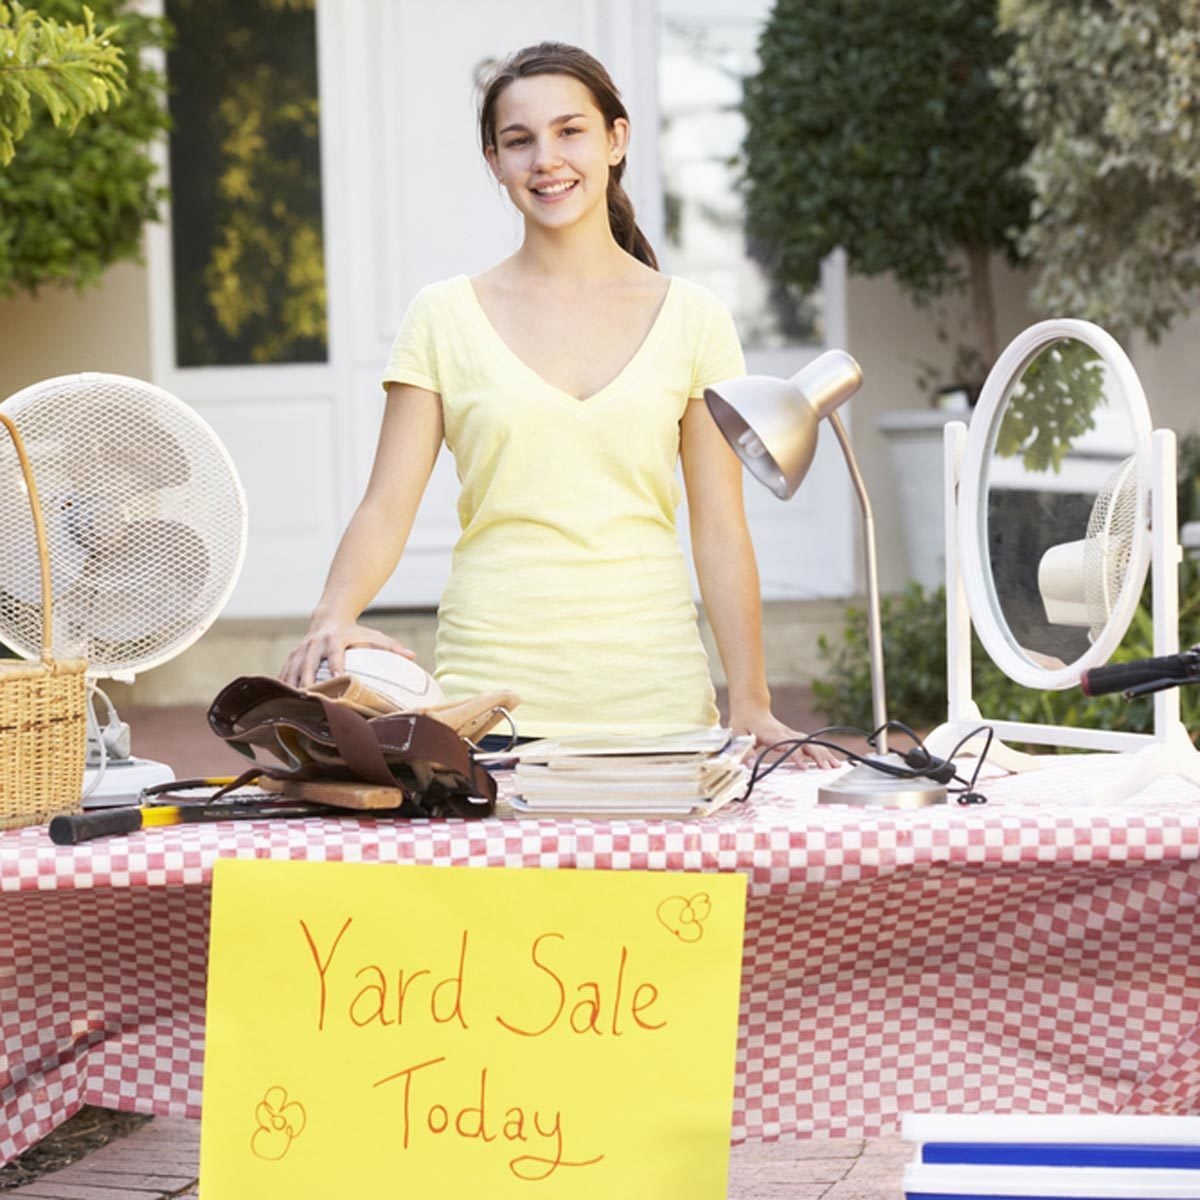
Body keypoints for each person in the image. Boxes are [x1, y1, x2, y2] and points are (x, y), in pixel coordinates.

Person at [281, 41, 836, 767]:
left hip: (660, 714)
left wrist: (753, 700)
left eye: (570, 130)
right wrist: (334, 614)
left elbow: (721, 530)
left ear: (616, 139)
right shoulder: (443, 316)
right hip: (489, 715)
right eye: (520, 140)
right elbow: (386, 506)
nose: (546, 158)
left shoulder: (695, 318)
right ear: (495, 163)